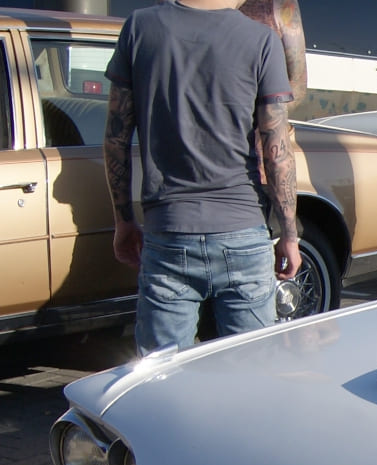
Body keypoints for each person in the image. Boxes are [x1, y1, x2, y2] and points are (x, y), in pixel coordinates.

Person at [105, 0, 300, 354]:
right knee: (252, 373)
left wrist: (123, 221)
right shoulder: (260, 40)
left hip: (169, 231)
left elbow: (116, 138)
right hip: (243, 233)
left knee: (162, 379)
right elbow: (277, 150)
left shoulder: (140, 28)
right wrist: (289, 233)